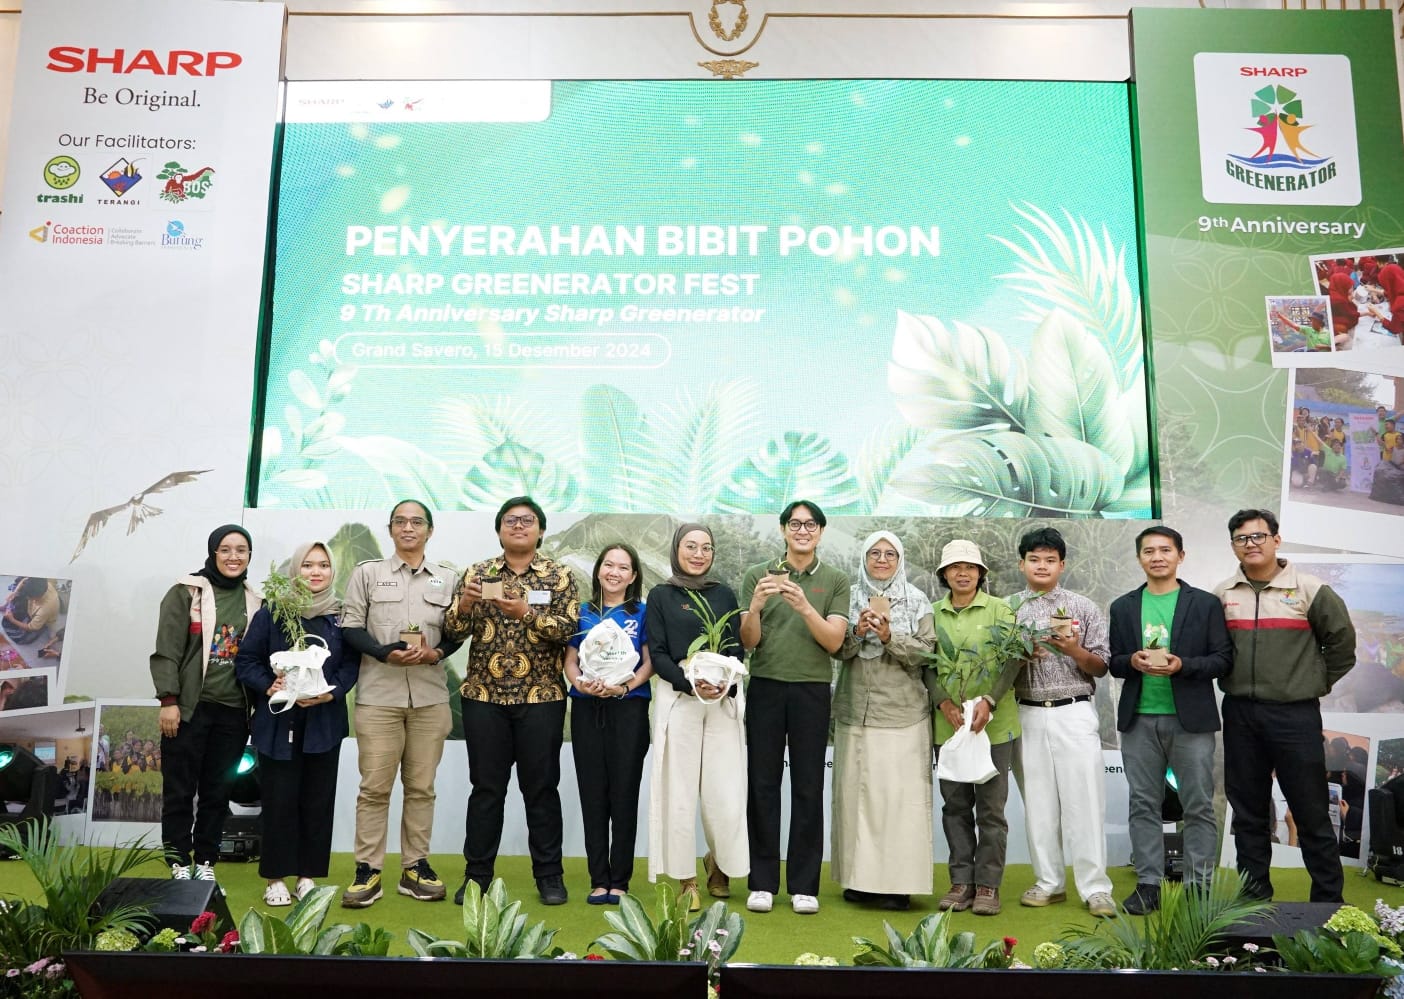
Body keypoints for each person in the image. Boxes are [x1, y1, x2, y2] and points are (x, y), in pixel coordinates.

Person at [444, 496, 580, 907]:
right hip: (484, 697)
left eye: (527, 520)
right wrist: (465, 604)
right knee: (486, 790)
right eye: (510, 520)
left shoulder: (558, 576)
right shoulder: (478, 573)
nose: (518, 526)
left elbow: (569, 629)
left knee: (541, 790)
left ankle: (549, 876)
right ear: (499, 530)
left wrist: (525, 612)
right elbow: (452, 630)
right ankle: (476, 877)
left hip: (541, 697)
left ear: (541, 530)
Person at [1215, 509, 1356, 902]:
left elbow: (1342, 647)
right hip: (1240, 714)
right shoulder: (1223, 593)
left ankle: (1328, 903)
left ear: (1276, 540)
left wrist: (1313, 682)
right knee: (1248, 812)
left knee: (1310, 810)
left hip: (1295, 715)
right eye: (1241, 538)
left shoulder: (1311, 589)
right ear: (1233, 546)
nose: (1250, 544)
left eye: (1258, 536)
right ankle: (1253, 900)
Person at [340, 500, 460, 908]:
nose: (408, 528)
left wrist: (437, 653)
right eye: (400, 522)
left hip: (430, 698)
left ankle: (415, 868)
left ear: (430, 530)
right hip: (379, 698)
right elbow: (350, 627)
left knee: (421, 788)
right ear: (390, 529)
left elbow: (458, 632)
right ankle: (368, 870)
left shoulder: (448, 578)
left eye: (417, 522)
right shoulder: (367, 573)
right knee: (374, 789)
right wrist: (381, 652)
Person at [1108, 526, 1232, 914]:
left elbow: (1222, 660)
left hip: (1190, 720)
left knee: (1197, 805)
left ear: (1181, 555)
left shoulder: (1205, 604)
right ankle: (1148, 884)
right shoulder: (1123, 606)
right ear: (1139, 558)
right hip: (1139, 719)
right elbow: (1114, 662)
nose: (1157, 557)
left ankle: (1198, 887)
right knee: (1143, 804)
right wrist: (1132, 661)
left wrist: (1183, 666)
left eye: (1165, 550)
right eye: (1149, 551)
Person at [739, 500, 849, 915]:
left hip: (812, 690)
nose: (803, 531)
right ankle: (762, 882)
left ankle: (804, 886)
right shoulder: (758, 574)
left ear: (821, 531)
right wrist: (755, 607)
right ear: (784, 529)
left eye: (811, 524)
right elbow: (749, 642)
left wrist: (803, 605)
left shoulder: (835, 579)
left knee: (807, 786)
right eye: (795, 524)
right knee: (762, 785)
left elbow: (834, 642)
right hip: (766, 686)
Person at [236, 541, 359, 906]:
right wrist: (268, 684)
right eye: (307, 565)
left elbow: (351, 665)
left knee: (317, 802)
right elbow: (247, 661)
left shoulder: (341, 616)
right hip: (279, 723)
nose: (315, 572)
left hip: (324, 722)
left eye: (323, 565)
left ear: (332, 571)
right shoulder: (273, 612)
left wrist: (331, 693)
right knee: (279, 801)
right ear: (295, 570)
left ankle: (307, 876)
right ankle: (275, 878)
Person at [1008, 527, 1116, 918]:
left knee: (1085, 802)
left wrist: (1074, 650)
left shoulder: (1082, 607)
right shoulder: (1007, 609)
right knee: (1038, 804)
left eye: (1050, 560)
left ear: (1062, 565)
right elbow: (998, 666)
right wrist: (1019, 656)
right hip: (1026, 712)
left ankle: (1096, 888)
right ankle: (1049, 882)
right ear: (1021, 563)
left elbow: (1101, 666)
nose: (1042, 566)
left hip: (1074, 710)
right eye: (1034, 559)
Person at [150, 524, 262, 882]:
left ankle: (206, 862)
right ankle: (178, 863)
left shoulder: (257, 600)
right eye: (225, 549)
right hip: (188, 709)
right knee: (179, 791)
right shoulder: (186, 592)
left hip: (233, 713)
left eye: (241, 550)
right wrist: (168, 700)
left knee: (218, 792)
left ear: (249, 556)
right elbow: (167, 650)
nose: (233, 557)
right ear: (213, 552)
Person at [832, 530, 934, 912]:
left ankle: (897, 886)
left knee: (898, 803)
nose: (881, 559)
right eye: (874, 553)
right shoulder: (847, 598)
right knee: (855, 799)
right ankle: (860, 881)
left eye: (890, 554)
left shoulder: (918, 600)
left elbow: (926, 653)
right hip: (855, 710)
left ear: (900, 560)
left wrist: (890, 636)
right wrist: (857, 633)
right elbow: (835, 649)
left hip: (902, 712)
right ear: (864, 558)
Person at [647, 523, 748, 911]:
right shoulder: (661, 595)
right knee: (680, 793)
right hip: (680, 700)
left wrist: (723, 686)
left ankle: (719, 863)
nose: (699, 554)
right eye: (691, 546)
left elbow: (736, 650)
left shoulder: (724, 594)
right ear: (677, 549)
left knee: (724, 791)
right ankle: (686, 880)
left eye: (706, 547)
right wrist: (690, 684)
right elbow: (658, 653)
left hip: (721, 703)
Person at [925, 539, 1019, 917]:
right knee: (955, 807)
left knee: (991, 811)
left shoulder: (1001, 609)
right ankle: (961, 882)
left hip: (993, 727)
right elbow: (925, 664)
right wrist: (943, 702)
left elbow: (1014, 660)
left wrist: (990, 701)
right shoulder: (932, 613)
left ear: (981, 573)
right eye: (955, 567)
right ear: (944, 574)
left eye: (970, 567)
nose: (962, 573)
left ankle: (988, 884)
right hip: (949, 727)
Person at [563, 543, 653, 905]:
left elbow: (649, 662)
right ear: (598, 569)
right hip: (587, 709)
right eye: (608, 565)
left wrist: (624, 687)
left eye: (623, 567)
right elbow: (570, 660)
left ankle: (620, 880)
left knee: (624, 794)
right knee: (593, 794)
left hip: (628, 710)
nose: (614, 572)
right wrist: (580, 683)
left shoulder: (642, 613)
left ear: (633, 576)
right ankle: (599, 879)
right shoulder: (581, 612)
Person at [2, 577, 60, 645]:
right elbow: (24, 581)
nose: (27, 598)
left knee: (21, 637)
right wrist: (15, 593)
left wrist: (12, 620)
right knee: (18, 589)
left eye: (29, 597)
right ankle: (9, 605)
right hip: (35, 609)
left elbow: (31, 627)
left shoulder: (45, 609)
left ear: (36, 597)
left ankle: (50, 629)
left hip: (43, 619)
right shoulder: (39, 583)